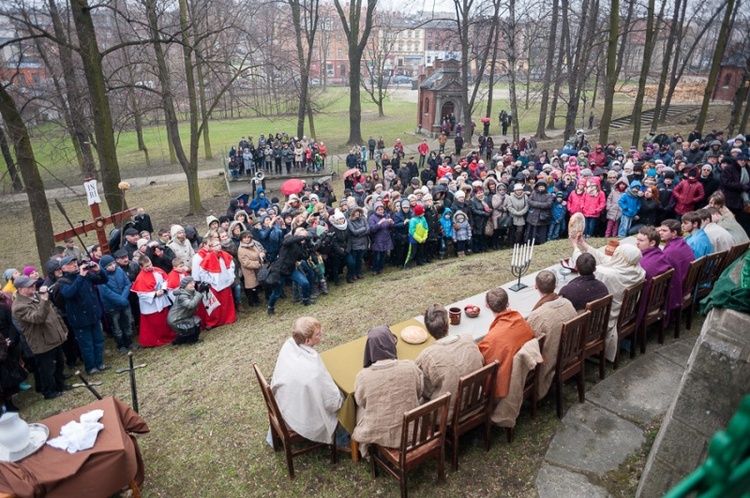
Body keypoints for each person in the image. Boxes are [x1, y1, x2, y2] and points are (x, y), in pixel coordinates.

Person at [270, 317, 346, 447]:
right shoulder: (313, 371)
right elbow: (332, 402)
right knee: (345, 402)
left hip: (285, 403)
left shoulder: (289, 345)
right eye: (317, 333)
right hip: (299, 416)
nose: (321, 334)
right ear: (307, 340)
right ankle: (342, 439)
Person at [571, 238, 645, 362]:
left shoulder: (607, 274)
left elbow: (585, 267)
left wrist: (575, 248)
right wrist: (583, 244)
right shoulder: (638, 270)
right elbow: (607, 259)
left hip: (603, 319)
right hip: (624, 312)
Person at [352, 325, 423, 455]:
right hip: (411, 429)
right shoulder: (410, 367)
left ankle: (368, 450)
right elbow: (419, 392)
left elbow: (361, 402)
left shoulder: (363, 376)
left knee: (359, 409)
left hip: (378, 431)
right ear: (391, 343)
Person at [415, 304, 483, 417]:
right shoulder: (468, 339)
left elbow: (424, 391)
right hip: (475, 401)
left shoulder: (427, 356)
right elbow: (480, 361)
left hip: (447, 416)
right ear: (448, 324)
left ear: (428, 329)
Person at [11, 275, 69, 400]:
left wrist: (63, 329)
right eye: (29, 285)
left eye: (33, 284)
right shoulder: (18, 306)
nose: (33, 286)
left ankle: (60, 385)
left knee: (59, 363)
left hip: (55, 336)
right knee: (46, 369)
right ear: (20, 290)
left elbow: (54, 313)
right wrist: (44, 299)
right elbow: (38, 318)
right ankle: (48, 392)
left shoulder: (37, 295)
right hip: (42, 342)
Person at [526, 271, 577, 398]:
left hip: (550, 362)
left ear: (536, 286)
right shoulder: (568, 303)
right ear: (555, 286)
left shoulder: (538, 316)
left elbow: (529, 343)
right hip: (569, 352)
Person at [478, 287, 535, 399]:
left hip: (507, 378)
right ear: (508, 303)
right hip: (525, 370)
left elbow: (482, 359)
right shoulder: (519, 319)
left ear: (487, 305)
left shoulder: (492, 339)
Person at [57, 256, 109, 375]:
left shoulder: (86, 275)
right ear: (63, 268)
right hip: (79, 319)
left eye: (75, 262)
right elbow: (69, 293)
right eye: (70, 264)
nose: (74, 265)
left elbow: (103, 280)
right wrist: (80, 276)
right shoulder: (63, 281)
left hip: (93, 315)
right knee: (87, 345)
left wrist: (98, 270)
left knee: (98, 340)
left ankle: (99, 363)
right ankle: (90, 367)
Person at [192, 237, 237, 328]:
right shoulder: (208, 258)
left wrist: (230, 276)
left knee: (226, 302)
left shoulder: (225, 255)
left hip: (225, 282)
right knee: (216, 306)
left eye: (219, 244)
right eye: (216, 245)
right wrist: (210, 281)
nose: (219, 246)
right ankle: (215, 321)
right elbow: (203, 271)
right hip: (215, 284)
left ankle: (228, 318)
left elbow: (231, 265)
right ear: (211, 247)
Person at [132, 255, 176, 347]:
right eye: (147, 266)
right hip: (151, 304)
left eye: (150, 264)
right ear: (141, 267)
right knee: (155, 323)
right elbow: (141, 293)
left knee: (164, 320)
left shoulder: (157, 270)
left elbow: (166, 280)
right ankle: (154, 340)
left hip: (161, 299)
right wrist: (155, 294)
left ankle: (167, 336)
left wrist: (163, 290)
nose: (150, 267)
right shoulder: (140, 278)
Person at [635, 226, 674, 327]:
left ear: (652, 243)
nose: (637, 243)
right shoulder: (660, 255)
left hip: (645, 305)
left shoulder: (643, 264)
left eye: (641, 240)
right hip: (657, 300)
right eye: (637, 239)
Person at [98, 255, 136, 354]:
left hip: (124, 303)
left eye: (113, 263)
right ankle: (121, 345)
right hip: (112, 307)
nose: (113, 266)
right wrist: (121, 300)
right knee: (117, 327)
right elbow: (106, 293)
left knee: (127, 324)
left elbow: (127, 284)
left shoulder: (120, 271)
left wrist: (123, 298)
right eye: (109, 265)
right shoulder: (101, 277)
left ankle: (129, 342)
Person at [167, 277, 203, 345]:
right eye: (190, 283)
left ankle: (180, 340)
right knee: (194, 324)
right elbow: (191, 305)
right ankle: (192, 340)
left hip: (183, 316)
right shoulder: (182, 296)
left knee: (196, 321)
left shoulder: (189, 291)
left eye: (193, 282)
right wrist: (199, 293)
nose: (193, 284)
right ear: (185, 285)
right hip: (176, 319)